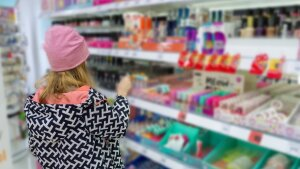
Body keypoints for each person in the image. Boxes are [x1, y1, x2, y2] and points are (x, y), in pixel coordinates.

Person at [24, 25, 132, 169]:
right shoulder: (87, 102)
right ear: (81, 64)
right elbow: (117, 127)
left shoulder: (37, 101)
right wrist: (122, 94)